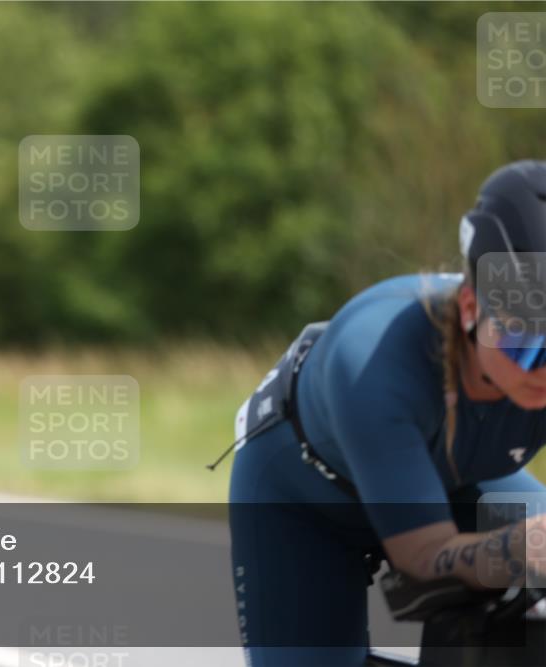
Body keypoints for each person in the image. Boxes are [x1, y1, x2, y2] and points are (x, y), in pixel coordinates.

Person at [226, 160, 546, 666]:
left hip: (455, 478)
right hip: (305, 501)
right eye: (524, 344)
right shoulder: (374, 363)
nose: (541, 369)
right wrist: (514, 550)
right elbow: (420, 556)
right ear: (469, 309)